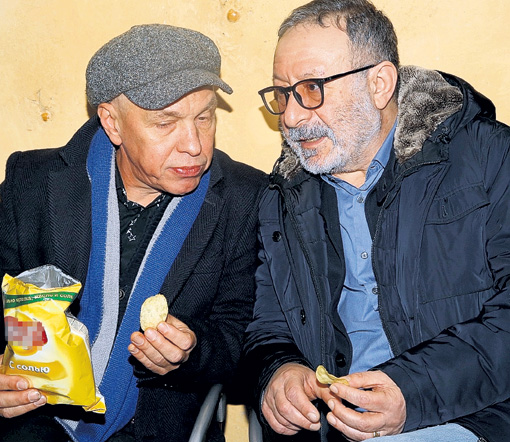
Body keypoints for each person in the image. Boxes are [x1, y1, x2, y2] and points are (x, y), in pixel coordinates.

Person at [242, 1, 510, 441]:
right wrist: (277, 371)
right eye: (283, 94)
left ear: (379, 84)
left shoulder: (489, 159)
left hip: (474, 415)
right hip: (331, 428)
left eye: (312, 88)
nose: (290, 117)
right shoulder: (284, 195)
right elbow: (269, 326)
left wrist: (413, 391)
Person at [0, 24, 266, 442]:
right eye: (165, 123)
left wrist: (192, 351)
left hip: (158, 427)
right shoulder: (32, 182)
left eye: (204, 117)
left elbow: (246, 339)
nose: (194, 145)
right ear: (112, 123)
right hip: (36, 416)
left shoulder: (244, 198)